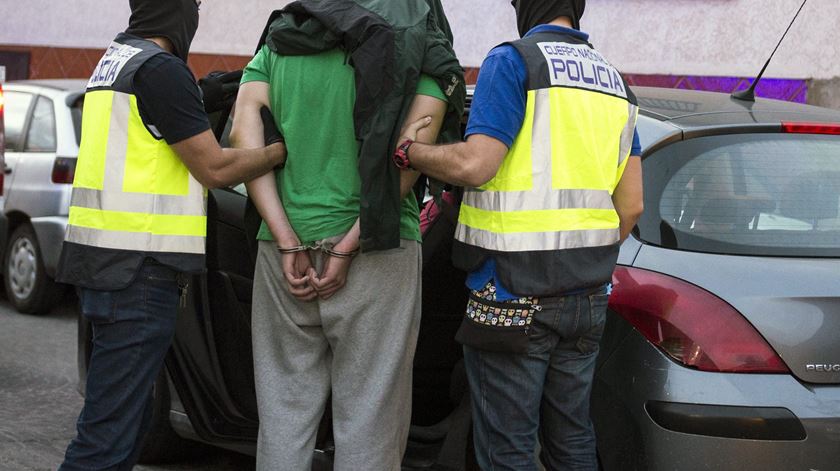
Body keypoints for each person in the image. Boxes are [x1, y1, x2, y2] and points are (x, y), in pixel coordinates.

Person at [396, 0, 644, 468]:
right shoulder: (615, 82)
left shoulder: (513, 61)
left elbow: (475, 164)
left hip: (510, 292)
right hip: (588, 296)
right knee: (572, 439)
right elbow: (631, 204)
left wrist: (412, 152)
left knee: (508, 448)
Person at [229, 1, 464, 469]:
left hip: (284, 255)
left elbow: (243, 139)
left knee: (283, 416)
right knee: (370, 421)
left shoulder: (280, 42)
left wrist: (286, 238)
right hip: (380, 253)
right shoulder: (421, 42)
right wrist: (350, 243)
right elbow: (409, 154)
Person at [55, 1, 287, 469]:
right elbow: (216, 169)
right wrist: (279, 152)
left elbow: (147, 131)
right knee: (105, 441)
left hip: (106, 268)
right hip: (138, 274)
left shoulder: (116, 60)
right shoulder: (161, 70)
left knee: (127, 427)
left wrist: (201, 96)